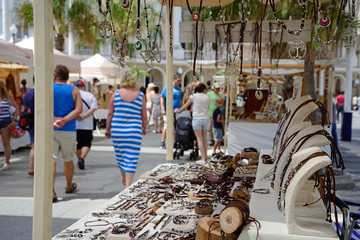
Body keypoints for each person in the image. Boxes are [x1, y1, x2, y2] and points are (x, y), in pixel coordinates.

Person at [105, 72, 147, 188]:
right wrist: (144, 127)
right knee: (131, 158)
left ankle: (124, 178)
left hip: (117, 130)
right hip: (134, 131)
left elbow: (110, 114)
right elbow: (144, 116)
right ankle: (127, 185)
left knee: (120, 155)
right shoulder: (140, 95)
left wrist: (107, 130)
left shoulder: (116, 94)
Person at [53, 65, 82, 202]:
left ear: (54, 76)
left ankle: (51, 191)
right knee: (68, 159)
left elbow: (40, 107)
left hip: (50, 129)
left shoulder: (48, 88)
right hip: (68, 129)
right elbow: (78, 109)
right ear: (67, 77)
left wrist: (54, 119)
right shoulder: (74, 89)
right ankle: (69, 185)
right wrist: (64, 120)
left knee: (51, 162)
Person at [175, 83, 210, 163]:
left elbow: (185, 106)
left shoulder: (193, 96)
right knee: (204, 139)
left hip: (197, 118)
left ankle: (202, 158)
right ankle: (205, 157)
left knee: (199, 139)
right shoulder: (207, 97)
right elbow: (207, 108)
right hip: (206, 118)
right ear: (204, 89)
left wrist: (179, 110)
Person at [75, 78, 98, 170]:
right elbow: (93, 108)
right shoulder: (90, 95)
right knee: (87, 143)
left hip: (75, 123)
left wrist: (77, 115)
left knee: (78, 144)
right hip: (87, 124)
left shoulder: (73, 95)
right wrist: (84, 116)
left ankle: (80, 159)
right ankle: (82, 158)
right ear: (84, 86)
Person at [160, 74, 183, 149]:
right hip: (168, 110)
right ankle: (163, 142)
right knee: (167, 126)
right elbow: (162, 98)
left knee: (176, 127)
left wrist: (182, 108)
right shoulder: (167, 88)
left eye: (180, 80)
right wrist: (163, 109)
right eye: (178, 80)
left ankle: (175, 142)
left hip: (177, 111)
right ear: (174, 80)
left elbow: (181, 100)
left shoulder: (179, 89)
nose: (179, 82)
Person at [0, 81, 19, 170]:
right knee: (6, 143)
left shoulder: (7, 97)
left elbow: (16, 109)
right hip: (5, 121)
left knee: (6, 143)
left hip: (5, 122)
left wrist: (14, 120)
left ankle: (7, 162)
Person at [21, 77, 35, 176]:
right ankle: (32, 168)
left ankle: (31, 168)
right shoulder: (43, 92)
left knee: (34, 146)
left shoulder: (27, 94)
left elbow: (23, 110)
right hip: (40, 121)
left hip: (30, 122)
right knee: (36, 147)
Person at [207, 82, 222, 146]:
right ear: (214, 88)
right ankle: (212, 139)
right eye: (217, 88)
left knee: (217, 127)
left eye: (218, 88)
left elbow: (222, 103)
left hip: (218, 113)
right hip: (210, 113)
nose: (218, 89)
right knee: (210, 127)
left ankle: (216, 139)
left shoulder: (220, 95)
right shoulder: (209, 94)